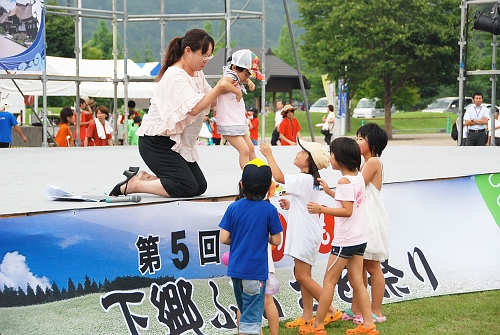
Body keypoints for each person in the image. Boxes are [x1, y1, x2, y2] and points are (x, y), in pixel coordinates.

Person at [109, 29, 226, 198]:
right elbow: (194, 107)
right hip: (155, 142)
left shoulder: (197, 74)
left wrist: (227, 86)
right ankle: (135, 184)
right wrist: (221, 87)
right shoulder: (175, 76)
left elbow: (211, 100)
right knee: (187, 187)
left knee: (199, 186)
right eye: (204, 55)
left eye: (209, 56)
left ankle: (147, 178)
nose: (206, 60)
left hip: (173, 141)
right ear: (188, 51)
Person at [260, 139, 343, 334]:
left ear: (310, 161)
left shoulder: (304, 179)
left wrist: (269, 155)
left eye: (302, 152)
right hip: (308, 232)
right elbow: (305, 200)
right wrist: (292, 204)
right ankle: (307, 315)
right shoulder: (308, 179)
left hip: (305, 234)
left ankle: (330, 310)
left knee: (302, 275)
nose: (298, 153)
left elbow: (279, 177)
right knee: (304, 275)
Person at [305, 137, 378, 335]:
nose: (330, 157)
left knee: (329, 281)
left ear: (340, 159)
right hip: (359, 239)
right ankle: (368, 324)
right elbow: (348, 201)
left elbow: (347, 210)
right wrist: (330, 192)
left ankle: (318, 326)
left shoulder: (344, 181)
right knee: (358, 283)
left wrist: (321, 208)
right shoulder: (357, 179)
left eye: (331, 153)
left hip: (344, 242)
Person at [219, 158, 283, 335]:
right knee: (252, 320)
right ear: (268, 188)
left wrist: (241, 238)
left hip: (236, 271)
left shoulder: (234, 207)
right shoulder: (269, 210)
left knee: (246, 313)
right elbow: (277, 241)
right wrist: (263, 237)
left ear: (242, 185)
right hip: (255, 273)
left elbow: (224, 238)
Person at [341, 123, 389, 325]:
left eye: (361, 138)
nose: (357, 141)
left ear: (373, 144)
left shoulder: (373, 162)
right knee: (357, 265)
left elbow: (357, 185)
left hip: (370, 218)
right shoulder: (364, 163)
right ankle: (357, 308)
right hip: (363, 216)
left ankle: (376, 310)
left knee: (371, 265)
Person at [216, 49, 263, 169]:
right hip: (229, 122)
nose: (246, 78)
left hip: (236, 120)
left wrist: (249, 81)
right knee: (245, 150)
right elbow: (223, 83)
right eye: (246, 75)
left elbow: (240, 77)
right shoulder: (229, 74)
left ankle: (261, 175)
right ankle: (248, 179)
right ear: (235, 67)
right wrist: (237, 91)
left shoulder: (235, 73)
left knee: (251, 148)